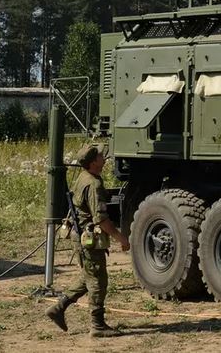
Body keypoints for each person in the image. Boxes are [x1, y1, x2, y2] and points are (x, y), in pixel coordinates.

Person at [44, 144, 130, 337]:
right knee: (98, 281)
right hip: (88, 238)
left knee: (89, 275)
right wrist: (121, 239)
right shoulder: (93, 184)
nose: (103, 157)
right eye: (100, 155)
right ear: (93, 162)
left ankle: (58, 308)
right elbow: (101, 219)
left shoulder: (84, 177)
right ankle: (97, 325)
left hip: (81, 236)